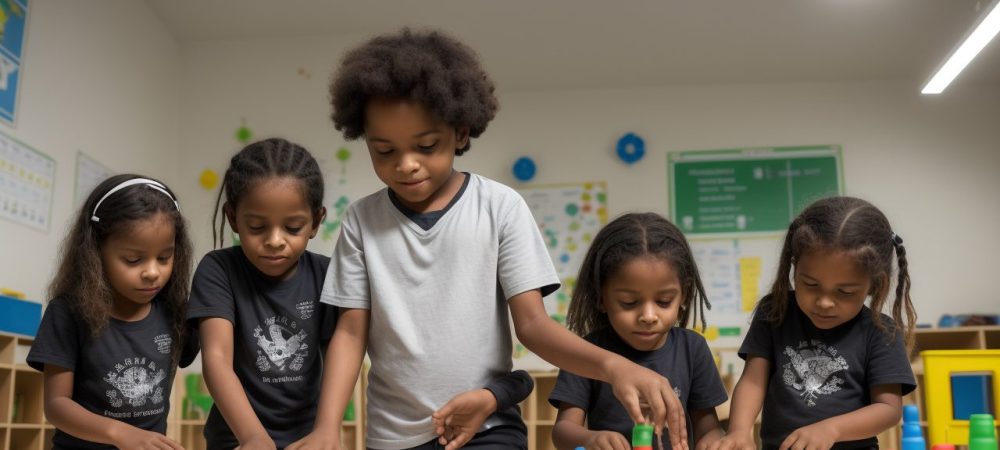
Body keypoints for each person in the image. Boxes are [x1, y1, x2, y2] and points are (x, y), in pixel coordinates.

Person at [312, 28, 689, 450]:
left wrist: (615, 367)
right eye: (384, 151)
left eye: (426, 145)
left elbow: (533, 325)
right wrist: (327, 428)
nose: (406, 165)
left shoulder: (499, 207)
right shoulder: (361, 220)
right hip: (393, 438)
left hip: (488, 428)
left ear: (460, 133)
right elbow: (350, 335)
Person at [709, 196, 917, 450]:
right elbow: (753, 381)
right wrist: (739, 431)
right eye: (810, 284)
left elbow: (888, 409)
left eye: (845, 292)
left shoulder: (881, 331)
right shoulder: (774, 311)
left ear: (874, 284)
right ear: (794, 266)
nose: (824, 302)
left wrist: (832, 429)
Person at [28, 174, 196, 449]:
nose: (152, 272)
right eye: (133, 259)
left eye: (164, 257)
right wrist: (120, 434)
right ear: (95, 251)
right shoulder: (68, 312)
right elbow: (56, 405)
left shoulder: (174, 311)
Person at [188, 138, 336, 449]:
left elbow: (338, 356)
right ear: (233, 218)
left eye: (292, 228)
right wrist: (253, 437)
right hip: (236, 437)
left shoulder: (326, 274)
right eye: (257, 227)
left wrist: (327, 430)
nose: (275, 240)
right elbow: (216, 358)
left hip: (307, 439)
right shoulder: (218, 270)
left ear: (316, 221)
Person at [549, 213, 727, 450]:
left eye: (664, 301)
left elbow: (709, 427)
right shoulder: (586, 353)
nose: (648, 316)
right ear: (601, 297)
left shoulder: (692, 348)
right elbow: (563, 430)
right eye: (629, 303)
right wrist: (589, 439)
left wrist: (714, 442)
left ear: (683, 295)